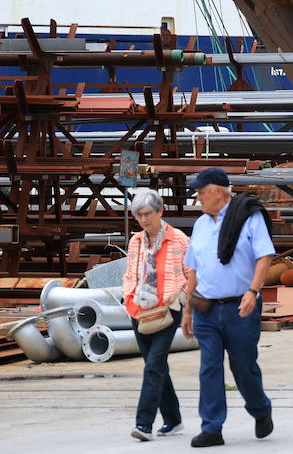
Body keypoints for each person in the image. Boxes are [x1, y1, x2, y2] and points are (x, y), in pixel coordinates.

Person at [182, 167, 274, 448]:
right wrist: (187, 309)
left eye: (201, 191)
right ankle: (211, 427)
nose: (198, 197)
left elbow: (264, 256)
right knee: (209, 367)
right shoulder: (200, 225)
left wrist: (252, 291)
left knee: (243, 366)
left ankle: (260, 409)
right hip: (206, 308)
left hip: (240, 308)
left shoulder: (248, 217)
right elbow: (193, 268)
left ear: (218, 191)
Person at [124, 188, 191, 442]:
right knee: (157, 366)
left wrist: (180, 298)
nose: (143, 219)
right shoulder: (136, 241)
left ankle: (143, 424)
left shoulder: (179, 240)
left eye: (147, 214)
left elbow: (192, 274)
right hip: (139, 310)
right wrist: (127, 295)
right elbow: (131, 273)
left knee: (153, 367)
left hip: (167, 310)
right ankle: (173, 420)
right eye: (138, 215)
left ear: (160, 211)